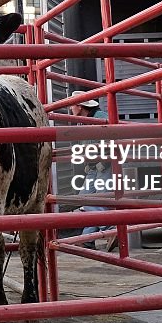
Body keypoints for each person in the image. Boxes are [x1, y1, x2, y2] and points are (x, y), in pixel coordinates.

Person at [70, 91, 113, 249]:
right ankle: (88, 238)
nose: (70, 109)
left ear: (80, 106)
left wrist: (105, 160)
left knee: (95, 200)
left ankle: (111, 228)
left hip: (105, 165)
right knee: (86, 200)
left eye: (72, 105)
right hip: (95, 166)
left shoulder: (99, 117)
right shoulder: (84, 121)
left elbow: (112, 139)